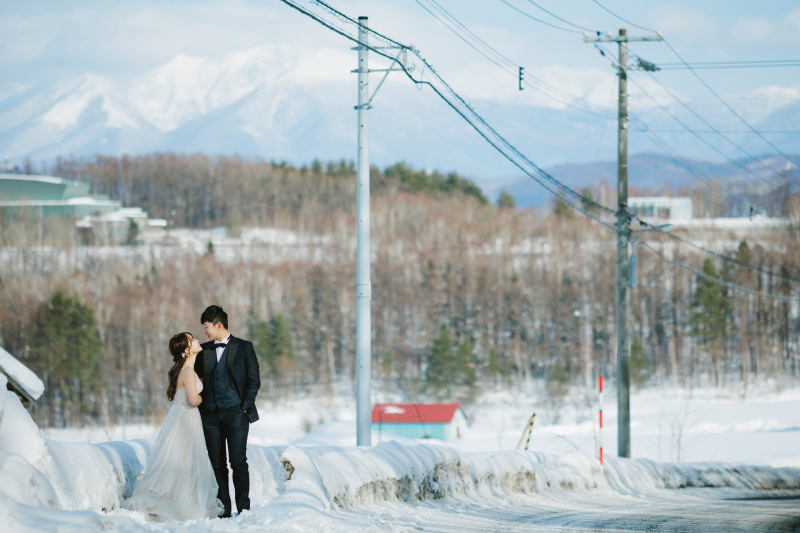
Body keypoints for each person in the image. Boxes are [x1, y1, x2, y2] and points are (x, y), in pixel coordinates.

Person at [123, 333, 224, 522]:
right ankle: (181, 503)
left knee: (183, 461)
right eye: (192, 340)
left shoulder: (186, 370)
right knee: (186, 461)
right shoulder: (187, 371)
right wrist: (206, 394)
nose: (196, 341)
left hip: (181, 418)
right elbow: (193, 400)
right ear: (186, 350)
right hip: (186, 419)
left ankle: (180, 498)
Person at [194, 305, 261, 518]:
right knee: (216, 463)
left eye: (206, 327)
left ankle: (243, 508)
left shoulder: (244, 347)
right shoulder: (203, 351)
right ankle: (223, 509)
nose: (204, 331)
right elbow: (194, 379)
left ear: (218, 324)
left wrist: (245, 407)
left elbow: (254, 380)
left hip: (236, 414)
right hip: (210, 416)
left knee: (238, 461)